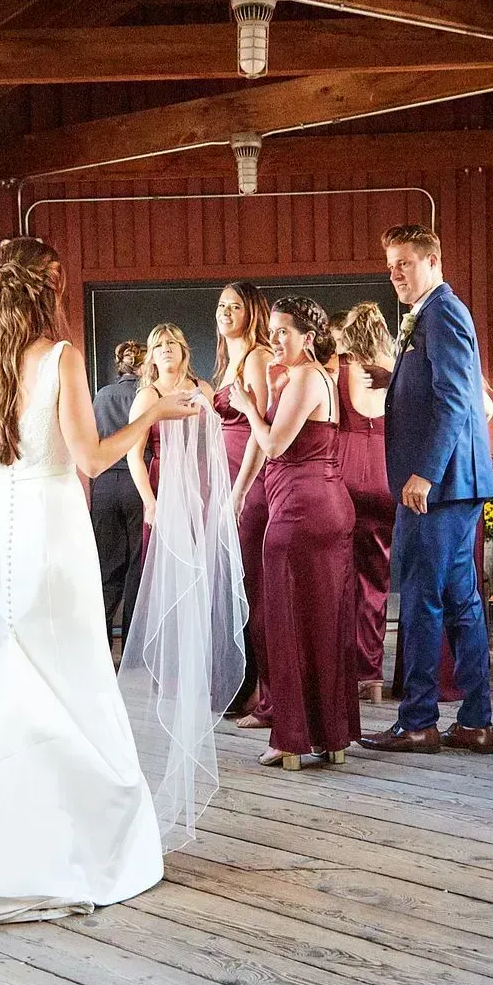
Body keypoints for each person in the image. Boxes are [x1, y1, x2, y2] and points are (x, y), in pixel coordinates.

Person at [0, 237, 202, 925]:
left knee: (16, 678)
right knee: (71, 680)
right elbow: (90, 458)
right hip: (52, 531)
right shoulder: (59, 358)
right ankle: (67, 843)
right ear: (49, 292)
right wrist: (150, 414)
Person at [359, 224, 493, 757]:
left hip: (440, 486)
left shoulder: (443, 313)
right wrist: (391, 374)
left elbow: (457, 400)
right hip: (452, 483)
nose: (395, 272)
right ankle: (475, 721)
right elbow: (432, 387)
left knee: (421, 597)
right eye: (390, 263)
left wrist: (427, 474)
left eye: (405, 262)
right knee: (460, 599)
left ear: (433, 262)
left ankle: (418, 720)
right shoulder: (428, 314)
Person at [231, 296, 357, 770]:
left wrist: (245, 406)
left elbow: (273, 444)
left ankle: (290, 740)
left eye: (285, 332)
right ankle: (332, 735)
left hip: (301, 513)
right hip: (324, 508)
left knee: (284, 623)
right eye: (274, 331)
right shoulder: (318, 376)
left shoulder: (305, 377)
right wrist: (265, 387)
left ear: (308, 337)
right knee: (323, 624)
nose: (276, 338)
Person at [213, 282, 276, 722]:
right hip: (224, 477)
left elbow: (260, 427)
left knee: (254, 587)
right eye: (221, 306)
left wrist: (239, 490)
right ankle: (242, 683)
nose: (226, 312)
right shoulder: (226, 361)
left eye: (235, 306)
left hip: (248, 482)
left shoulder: (256, 356)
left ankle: (266, 695)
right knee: (234, 586)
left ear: (252, 312)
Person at [333, 301, 394, 704]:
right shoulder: (395, 366)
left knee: (341, 578)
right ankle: (372, 677)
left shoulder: (339, 371)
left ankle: (343, 674)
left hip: (346, 472)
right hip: (389, 472)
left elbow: (330, 420)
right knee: (377, 579)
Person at [127, 323, 213, 537]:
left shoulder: (204, 390)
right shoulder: (148, 395)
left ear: (183, 350)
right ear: (152, 357)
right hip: (164, 482)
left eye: (171, 342)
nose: (165, 348)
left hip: (201, 480)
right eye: (158, 345)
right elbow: (134, 456)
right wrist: (150, 503)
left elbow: (216, 443)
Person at [91, 341, 148, 644]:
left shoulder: (101, 396)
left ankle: (97, 644)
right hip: (137, 483)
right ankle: (131, 645)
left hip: (103, 486)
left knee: (107, 568)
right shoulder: (147, 396)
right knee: (138, 566)